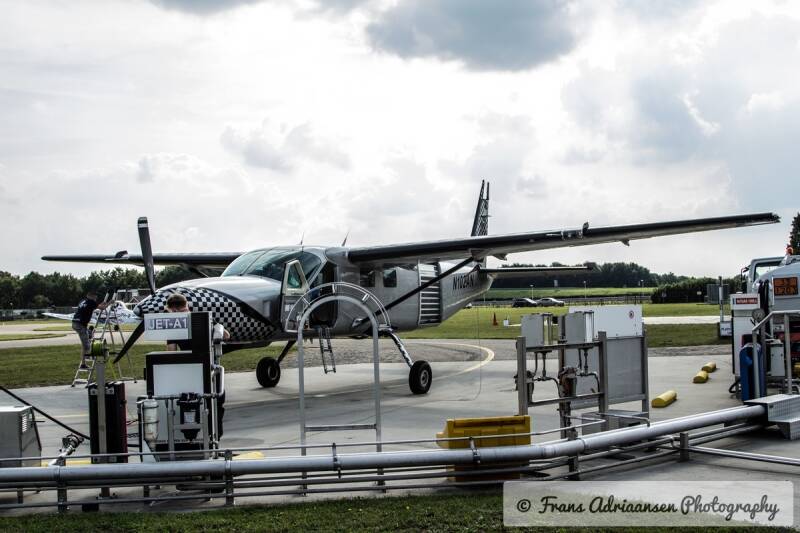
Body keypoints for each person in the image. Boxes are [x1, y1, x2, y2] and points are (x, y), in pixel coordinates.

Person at [165, 293, 229, 351]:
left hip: (189, 361)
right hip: (209, 359)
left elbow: (171, 351)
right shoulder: (205, 317)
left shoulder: (173, 326)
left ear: (174, 310)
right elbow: (226, 335)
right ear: (187, 304)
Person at [72, 291, 108, 369]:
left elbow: (95, 306)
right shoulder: (91, 302)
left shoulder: (83, 301)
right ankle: (89, 357)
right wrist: (109, 303)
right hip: (80, 325)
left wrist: (103, 303)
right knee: (87, 346)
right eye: (95, 297)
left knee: (88, 335)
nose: (96, 299)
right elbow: (102, 308)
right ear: (91, 296)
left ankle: (83, 363)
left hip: (76, 323)